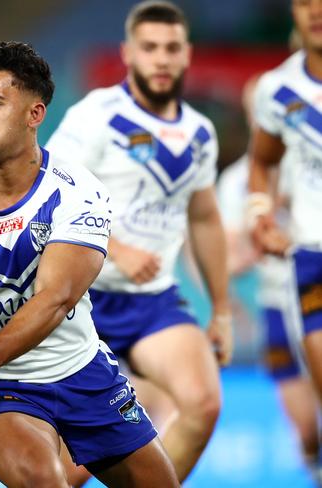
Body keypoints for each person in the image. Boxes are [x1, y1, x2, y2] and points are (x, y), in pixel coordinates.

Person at [0, 41, 179, 487]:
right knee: (45, 480)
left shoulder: (78, 192)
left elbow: (56, 299)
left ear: (34, 114)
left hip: (82, 370)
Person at [46, 1, 232, 483]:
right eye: (150, 48)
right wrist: (115, 248)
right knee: (69, 469)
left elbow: (206, 218)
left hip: (151, 303)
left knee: (203, 403)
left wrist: (223, 310)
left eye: (172, 48)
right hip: (80, 300)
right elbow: (46, 192)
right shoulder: (95, 116)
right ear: (128, 53)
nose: (162, 59)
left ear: (187, 54)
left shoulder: (199, 133)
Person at [222, 75, 321, 482]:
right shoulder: (236, 183)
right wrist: (260, 236)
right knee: (306, 430)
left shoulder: (310, 161)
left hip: (313, 290)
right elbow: (229, 261)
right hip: (278, 304)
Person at [248, 0, 322, 472]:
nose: (314, 9)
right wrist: (261, 214)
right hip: (313, 255)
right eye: (302, 0)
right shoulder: (278, 89)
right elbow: (263, 162)